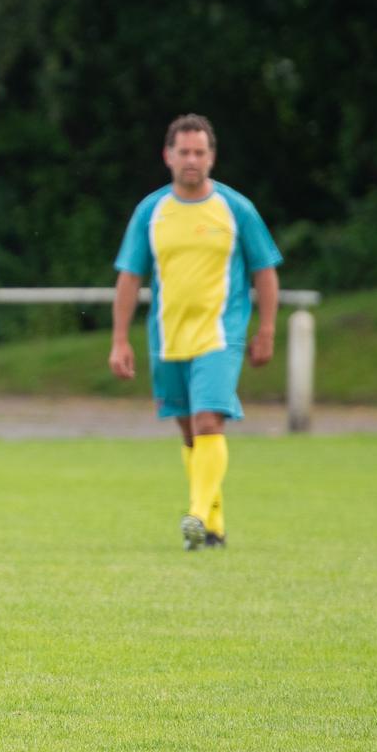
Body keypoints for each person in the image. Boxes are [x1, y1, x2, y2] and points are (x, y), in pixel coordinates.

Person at [109, 114, 282, 550]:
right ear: (167, 156)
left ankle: (197, 513)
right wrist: (119, 340)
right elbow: (129, 276)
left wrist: (266, 330)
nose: (191, 160)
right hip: (167, 336)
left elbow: (264, 270)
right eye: (183, 152)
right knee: (190, 432)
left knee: (209, 420)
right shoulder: (151, 211)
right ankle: (214, 527)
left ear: (212, 157)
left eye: (199, 152)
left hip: (221, 334)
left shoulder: (235, 209)